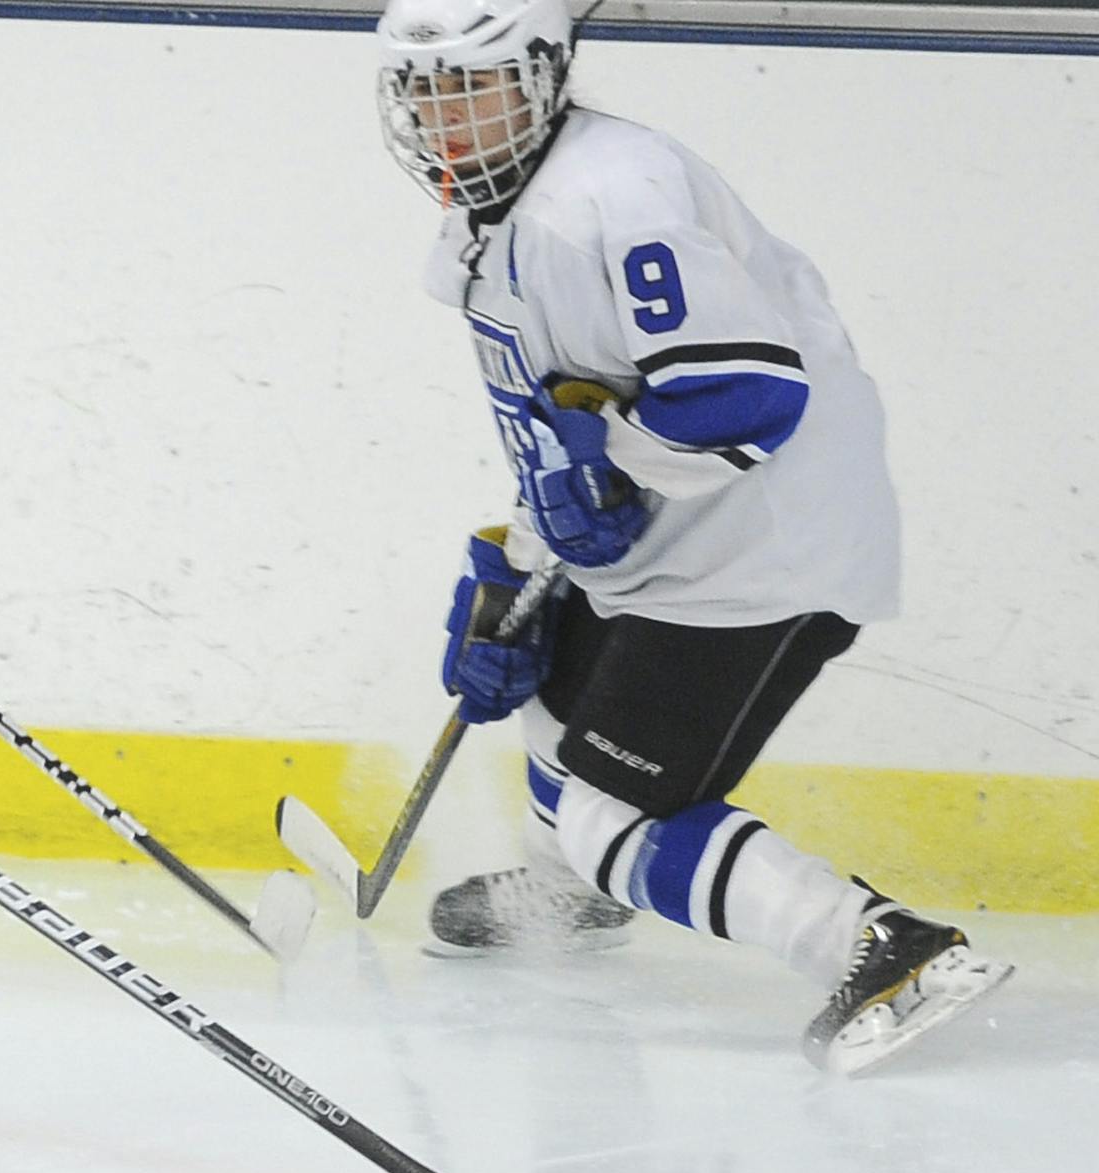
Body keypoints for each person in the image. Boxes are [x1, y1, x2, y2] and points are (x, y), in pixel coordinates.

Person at [371, 0, 1012, 1074]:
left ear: (544, 77)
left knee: (610, 814)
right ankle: (577, 893)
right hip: (680, 528)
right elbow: (564, 415)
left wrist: (607, 474)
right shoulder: (496, 212)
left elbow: (746, 398)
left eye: (474, 86)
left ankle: (883, 945)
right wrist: (518, 564)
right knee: (550, 696)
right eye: (427, 91)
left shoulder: (609, 201)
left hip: (760, 546)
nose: (449, 117)